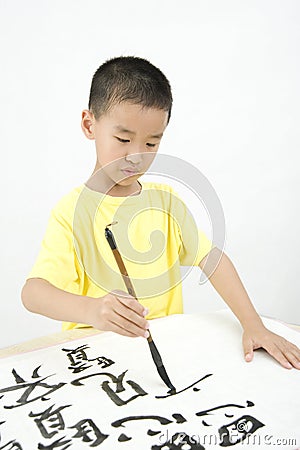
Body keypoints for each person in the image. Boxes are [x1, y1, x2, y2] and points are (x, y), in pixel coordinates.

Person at [21, 56, 300, 370]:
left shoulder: (166, 202)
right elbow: (34, 293)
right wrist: (93, 310)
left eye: (152, 143)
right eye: (123, 139)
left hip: (166, 353)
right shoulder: (70, 212)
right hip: (99, 363)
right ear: (89, 125)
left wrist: (254, 324)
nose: (136, 156)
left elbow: (212, 259)